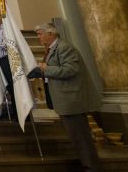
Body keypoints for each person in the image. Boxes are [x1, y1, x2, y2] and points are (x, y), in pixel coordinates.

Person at [35, 23, 102, 172]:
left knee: (81, 137)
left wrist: (47, 69)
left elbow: (70, 70)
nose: (38, 37)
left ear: (51, 34)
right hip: (64, 100)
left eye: (40, 34)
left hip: (71, 100)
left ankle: (91, 166)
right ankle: (86, 163)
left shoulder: (64, 48)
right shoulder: (52, 49)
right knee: (76, 137)